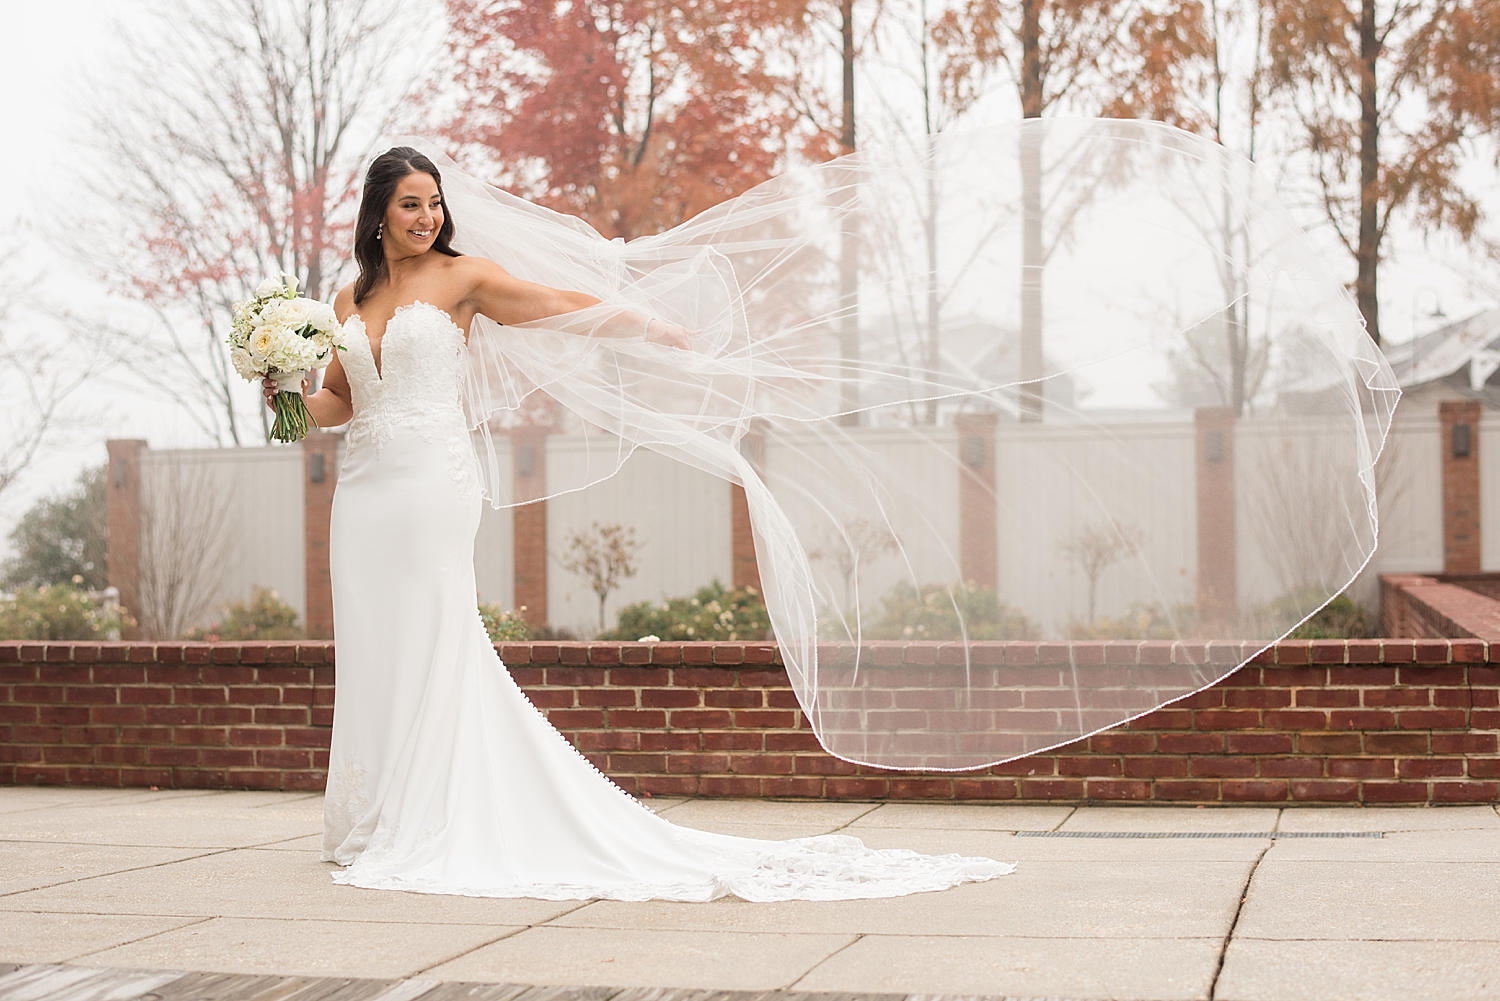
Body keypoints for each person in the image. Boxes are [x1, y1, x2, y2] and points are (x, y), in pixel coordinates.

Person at [264, 145, 1014, 901]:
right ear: (379, 214)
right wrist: (283, 390)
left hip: (432, 482)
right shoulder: (344, 302)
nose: (427, 218)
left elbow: (557, 304)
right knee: (374, 639)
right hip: (363, 494)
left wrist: (645, 325)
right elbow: (338, 404)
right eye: (410, 205)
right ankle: (378, 808)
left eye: (433, 204)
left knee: (433, 631)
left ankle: (429, 809)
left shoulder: (465, 278)